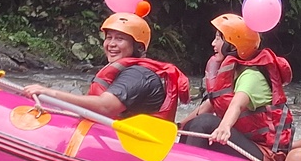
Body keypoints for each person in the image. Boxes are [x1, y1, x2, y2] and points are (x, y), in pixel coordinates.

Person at [22, 11, 190, 121]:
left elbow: (105, 107)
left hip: (132, 149)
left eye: (120, 39)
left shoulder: (138, 75)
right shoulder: (129, 70)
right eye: (109, 37)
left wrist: (49, 92)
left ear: (139, 47)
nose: (111, 44)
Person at [179, 13, 293, 161]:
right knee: (194, 124)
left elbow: (236, 104)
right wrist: (179, 126)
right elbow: (208, 106)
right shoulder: (233, 73)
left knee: (205, 123)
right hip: (247, 142)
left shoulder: (252, 76)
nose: (213, 43)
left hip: (264, 153)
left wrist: (225, 126)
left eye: (218, 38)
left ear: (233, 45)